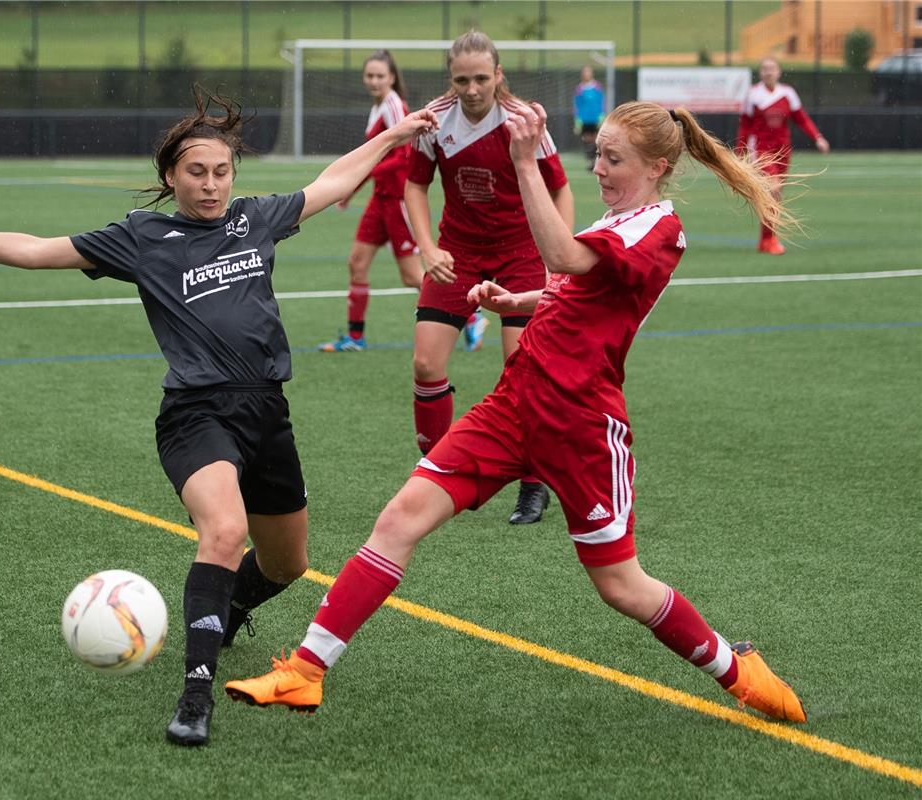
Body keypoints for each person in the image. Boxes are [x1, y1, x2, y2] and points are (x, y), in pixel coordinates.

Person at [0, 87, 437, 748]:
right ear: (170, 176)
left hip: (267, 412)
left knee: (287, 564)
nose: (210, 186)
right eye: (196, 173)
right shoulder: (141, 237)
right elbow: (34, 249)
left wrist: (392, 136)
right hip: (195, 416)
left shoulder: (256, 219)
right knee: (224, 532)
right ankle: (194, 696)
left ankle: (226, 610)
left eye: (221, 172)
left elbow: (331, 181)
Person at [224, 101, 808, 726]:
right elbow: (573, 285)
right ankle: (304, 673)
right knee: (399, 520)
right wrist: (516, 298)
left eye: (613, 158)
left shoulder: (658, 228)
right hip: (513, 404)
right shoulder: (622, 217)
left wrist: (525, 162)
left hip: (580, 426)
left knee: (622, 587)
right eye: (598, 154)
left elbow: (565, 259)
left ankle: (736, 668)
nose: (599, 168)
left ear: (657, 166)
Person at [404, 30, 575, 526]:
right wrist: (428, 247)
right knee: (425, 363)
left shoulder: (525, 122)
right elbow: (414, 188)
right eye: (462, 80)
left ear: (498, 75)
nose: (472, 88)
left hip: (521, 253)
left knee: (523, 372)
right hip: (457, 254)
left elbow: (559, 191)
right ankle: (441, 472)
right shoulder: (435, 120)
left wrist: (555, 257)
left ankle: (533, 483)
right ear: (450, 79)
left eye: (481, 78)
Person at [319, 50, 423, 353]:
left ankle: (469, 315)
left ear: (391, 78)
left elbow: (403, 158)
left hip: (398, 200)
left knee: (412, 276)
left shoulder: (394, 105)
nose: (374, 81)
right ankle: (355, 338)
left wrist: (354, 182)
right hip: (380, 200)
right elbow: (376, 156)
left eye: (380, 75)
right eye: (369, 75)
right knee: (358, 263)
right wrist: (353, 187)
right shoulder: (378, 106)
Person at [736, 55, 829, 255]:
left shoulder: (788, 93)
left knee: (775, 196)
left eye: (772, 68)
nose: (768, 72)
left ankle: (765, 240)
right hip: (760, 149)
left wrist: (818, 137)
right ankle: (769, 241)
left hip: (783, 150)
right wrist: (740, 152)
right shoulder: (753, 95)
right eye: (764, 69)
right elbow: (745, 125)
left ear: (778, 72)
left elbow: (801, 119)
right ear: (760, 73)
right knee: (773, 188)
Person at [573, 65, 606, 171]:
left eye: (588, 72)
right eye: (585, 72)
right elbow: (577, 104)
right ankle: (590, 160)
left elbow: (601, 101)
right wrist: (577, 119)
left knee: (596, 140)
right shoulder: (579, 89)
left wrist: (601, 116)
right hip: (584, 119)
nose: (586, 74)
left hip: (595, 118)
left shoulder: (597, 87)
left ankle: (595, 161)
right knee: (586, 140)